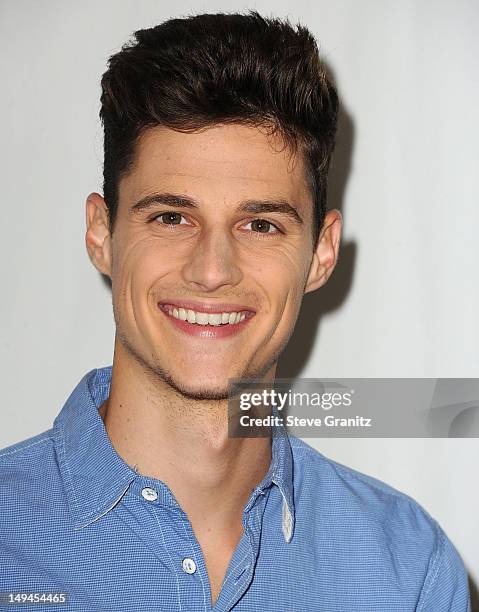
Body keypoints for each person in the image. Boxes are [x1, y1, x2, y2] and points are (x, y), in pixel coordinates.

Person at [0, 11, 471, 612]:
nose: (213, 269)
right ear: (101, 233)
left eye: (260, 224)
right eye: (172, 217)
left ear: (321, 253)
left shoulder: (406, 568)